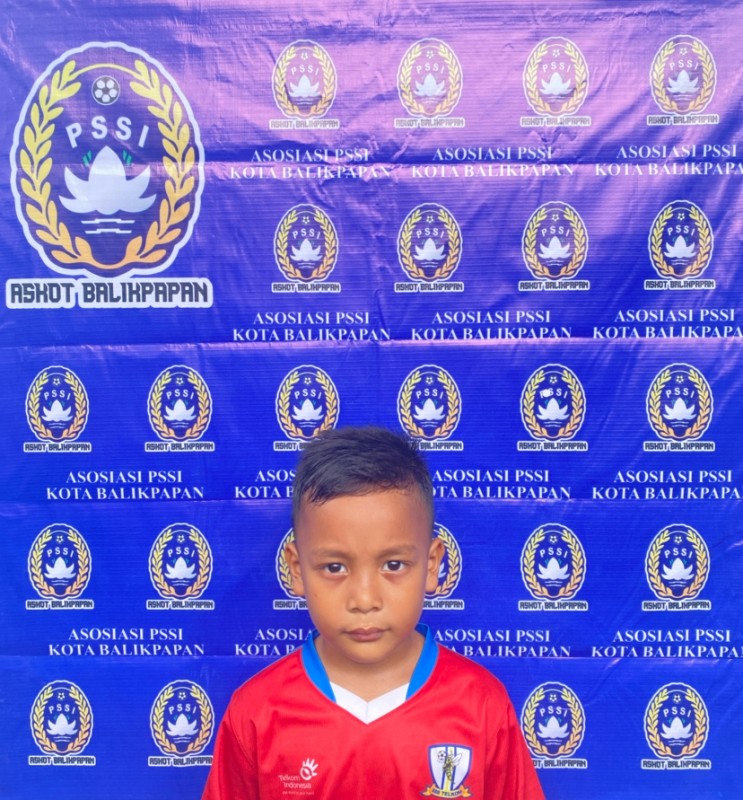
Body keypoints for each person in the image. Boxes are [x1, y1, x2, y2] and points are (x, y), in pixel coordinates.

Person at [203, 427, 544, 799]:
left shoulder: (482, 706)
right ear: (297, 570)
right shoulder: (257, 712)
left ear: (432, 565)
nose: (364, 599)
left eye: (393, 565)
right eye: (335, 567)